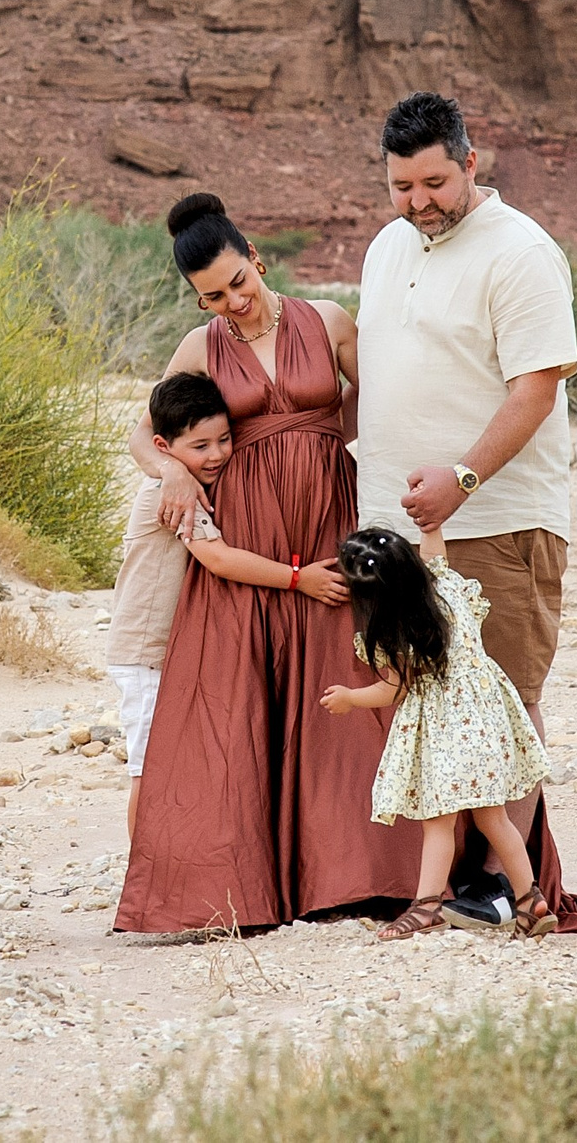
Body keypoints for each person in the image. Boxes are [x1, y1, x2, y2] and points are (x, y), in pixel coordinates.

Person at [115, 194, 420, 933]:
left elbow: (381, 402)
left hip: (329, 522)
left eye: (238, 283)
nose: (233, 302)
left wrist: (335, 449)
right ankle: (252, 887)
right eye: (212, 296)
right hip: (251, 534)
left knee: (342, 682)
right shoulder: (201, 346)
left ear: (256, 255)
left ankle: (361, 872)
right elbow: (143, 432)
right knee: (248, 698)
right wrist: (175, 474)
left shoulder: (329, 320)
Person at [354, 91, 577, 926]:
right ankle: (429, 881)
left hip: (496, 521)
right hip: (394, 533)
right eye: (401, 186)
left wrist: (463, 478)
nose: (419, 203)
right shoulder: (387, 247)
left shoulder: (520, 252)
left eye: (435, 183)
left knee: (502, 700)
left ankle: (504, 888)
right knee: (419, 696)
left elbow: (536, 387)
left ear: (471, 163)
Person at [321, 526, 555, 941]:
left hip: (447, 736)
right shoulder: (446, 589)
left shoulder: (397, 629)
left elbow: (394, 689)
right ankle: (529, 900)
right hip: (488, 723)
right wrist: (432, 527)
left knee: (438, 824)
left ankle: (426, 907)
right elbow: (436, 557)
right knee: (495, 819)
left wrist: (351, 698)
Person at [103, 373, 230, 840]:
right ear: (163, 446)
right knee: (148, 767)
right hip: (144, 652)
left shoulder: (190, 479)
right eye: (200, 446)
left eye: (224, 440)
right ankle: (143, 873)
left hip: (165, 652)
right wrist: (298, 579)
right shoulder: (171, 492)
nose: (215, 454)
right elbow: (216, 558)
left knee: (170, 761)